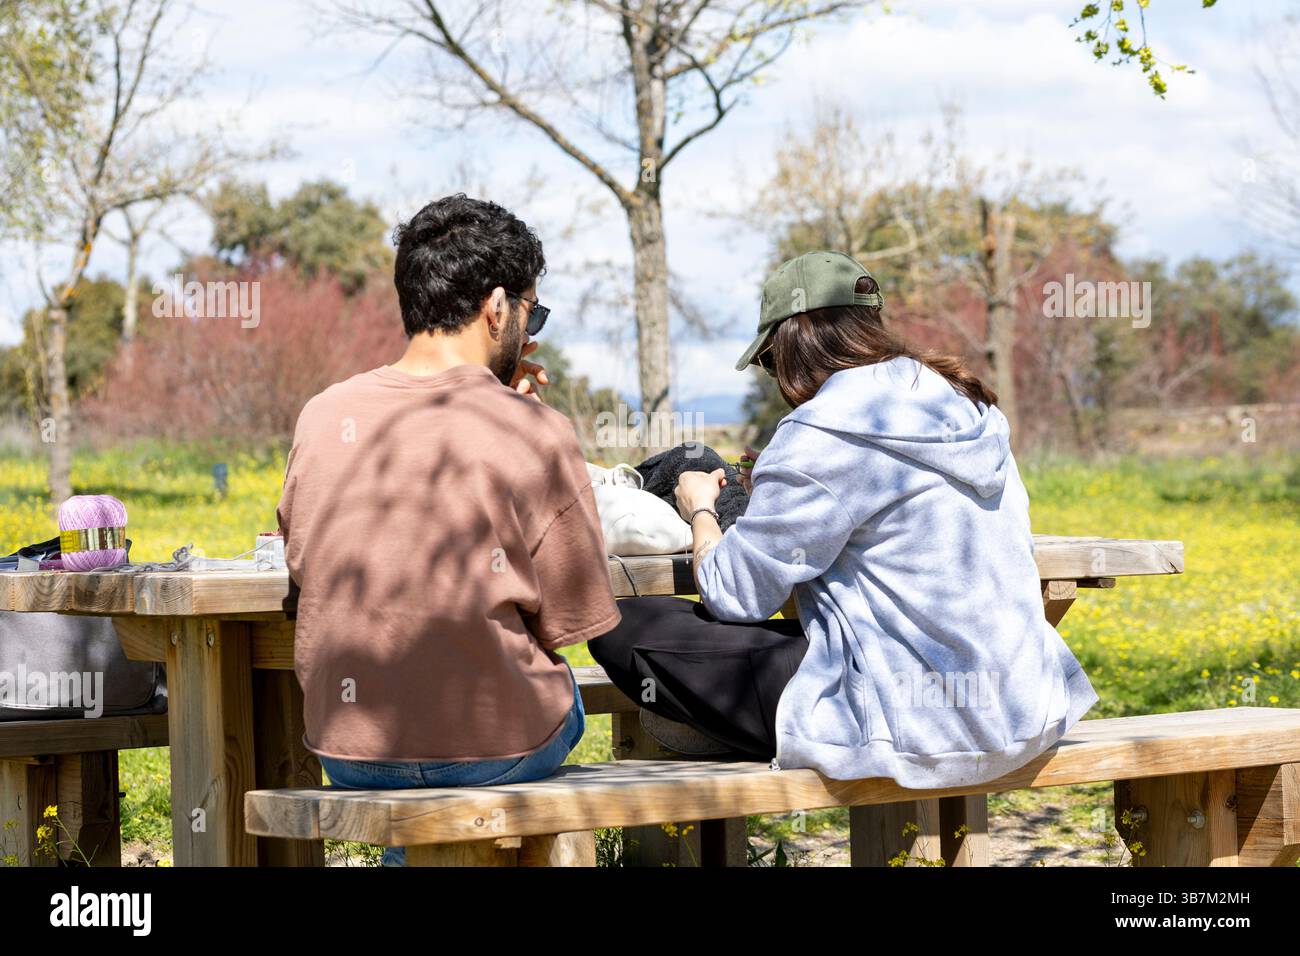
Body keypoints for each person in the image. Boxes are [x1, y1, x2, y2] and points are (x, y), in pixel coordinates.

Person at [589, 251, 1099, 788]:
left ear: (794, 340)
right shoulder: (966, 404)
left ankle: (766, 728)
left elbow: (734, 596)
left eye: (769, 361)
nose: (775, 376)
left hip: (913, 725)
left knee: (620, 621)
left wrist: (699, 507)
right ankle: (747, 723)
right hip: (1020, 706)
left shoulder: (821, 432)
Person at [276, 194, 620, 865]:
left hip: (348, 752)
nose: (528, 327)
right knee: (556, 698)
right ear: (498, 309)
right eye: (531, 312)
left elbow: (299, 567)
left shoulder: (322, 414)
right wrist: (524, 424)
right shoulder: (536, 430)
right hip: (498, 747)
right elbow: (572, 619)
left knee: (429, 744)